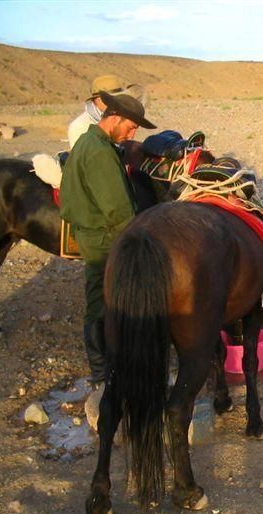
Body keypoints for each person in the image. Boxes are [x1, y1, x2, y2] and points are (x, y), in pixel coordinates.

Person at [60, 92, 156, 385]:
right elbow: (118, 210)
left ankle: (103, 368)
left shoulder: (91, 143)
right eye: (131, 125)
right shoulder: (100, 152)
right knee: (106, 303)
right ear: (113, 117)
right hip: (105, 239)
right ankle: (105, 371)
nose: (133, 132)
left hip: (93, 235)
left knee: (98, 300)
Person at [67, 75, 147, 149]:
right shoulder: (79, 126)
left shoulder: (115, 117)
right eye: (113, 99)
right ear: (99, 100)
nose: (119, 102)